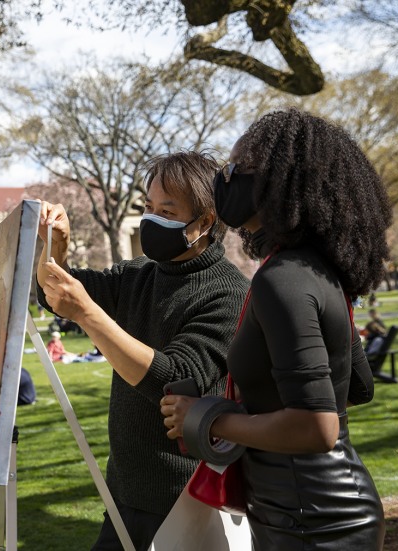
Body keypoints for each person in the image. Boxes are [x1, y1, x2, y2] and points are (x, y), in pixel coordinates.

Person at [161, 109, 387, 548]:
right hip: (310, 514)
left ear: (281, 181)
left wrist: (208, 418)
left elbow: (317, 428)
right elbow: (357, 387)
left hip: (313, 524)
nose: (223, 180)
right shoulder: (314, 270)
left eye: (236, 169)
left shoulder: (281, 278)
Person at [36, 150, 248, 549]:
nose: (151, 218)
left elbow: (171, 379)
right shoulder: (139, 274)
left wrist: (88, 314)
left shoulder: (228, 293)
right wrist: (54, 248)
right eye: (148, 207)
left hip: (188, 501)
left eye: (166, 210)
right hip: (124, 494)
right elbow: (56, 295)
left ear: (204, 221)